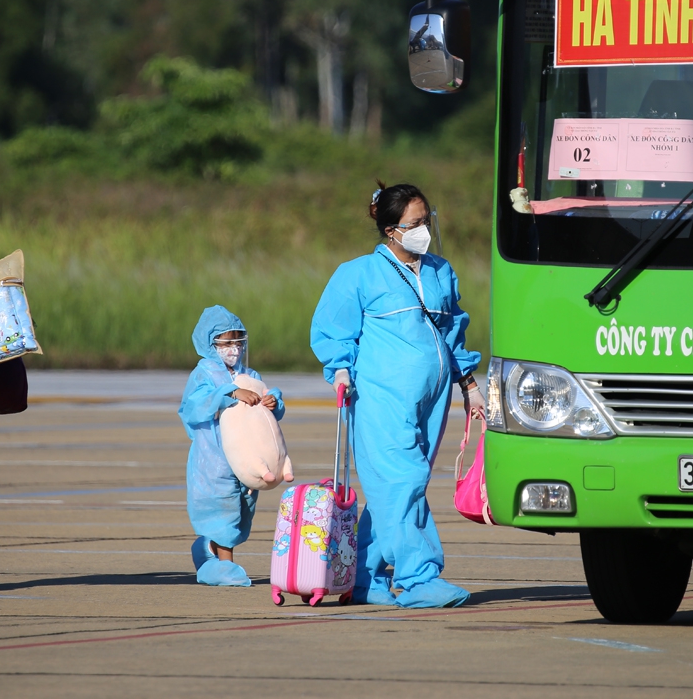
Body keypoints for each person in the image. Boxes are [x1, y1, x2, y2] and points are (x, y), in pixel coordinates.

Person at [310, 182, 485, 609]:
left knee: (398, 487)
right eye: (416, 223)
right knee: (403, 481)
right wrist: (340, 370)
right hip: (380, 398)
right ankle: (417, 577)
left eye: (428, 220)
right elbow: (333, 331)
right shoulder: (358, 274)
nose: (425, 229)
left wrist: (470, 386)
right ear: (391, 230)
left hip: (432, 399)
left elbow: (453, 332)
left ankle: (364, 576)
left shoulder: (440, 271)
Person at [178, 306, 285, 587]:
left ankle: (208, 549)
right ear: (211, 344)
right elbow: (193, 407)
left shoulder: (249, 373)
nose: (234, 349)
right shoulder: (203, 374)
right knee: (222, 507)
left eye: (238, 342)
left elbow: (265, 407)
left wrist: (273, 400)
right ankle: (224, 564)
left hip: (247, 455)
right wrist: (230, 393)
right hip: (213, 457)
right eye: (226, 342)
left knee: (242, 507)